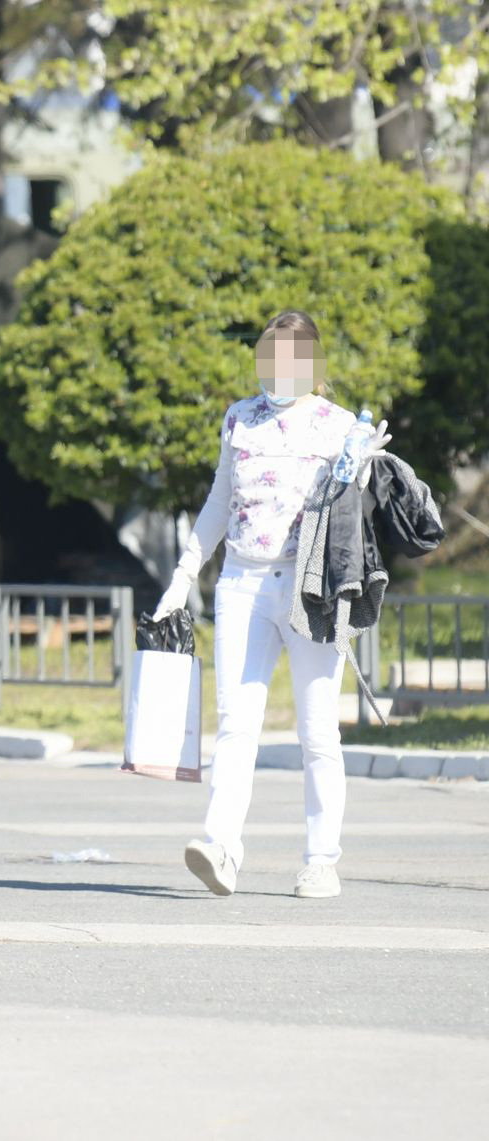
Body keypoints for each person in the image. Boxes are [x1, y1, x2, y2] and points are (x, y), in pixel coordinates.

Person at [155, 310, 383, 902]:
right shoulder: (239, 418)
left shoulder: (338, 425)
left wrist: (357, 470)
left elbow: (350, 515)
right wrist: (184, 576)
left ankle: (320, 860)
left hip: (311, 591)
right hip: (241, 585)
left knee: (317, 730)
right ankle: (221, 846)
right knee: (237, 722)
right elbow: (218, 499)